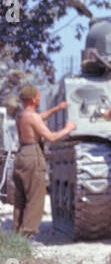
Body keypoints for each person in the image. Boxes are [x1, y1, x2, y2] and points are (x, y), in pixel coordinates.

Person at [13, 85, 75, 238]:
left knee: (20, 198)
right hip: (33, 156)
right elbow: (51, 137)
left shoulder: (22, 115)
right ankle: (28, 235)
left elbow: (39, 117)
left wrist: (57, 109)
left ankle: (18, 236)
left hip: (22, 153)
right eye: (38, 97)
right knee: (35, 197)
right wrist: (68, 129)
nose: (40, 99)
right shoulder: (32, 117)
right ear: (34, 99)